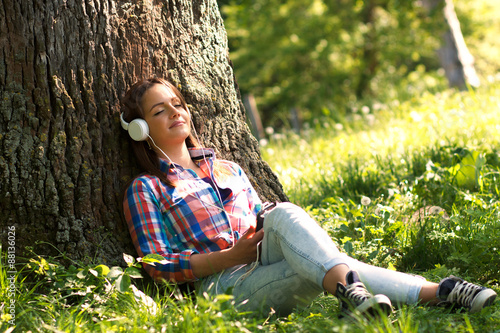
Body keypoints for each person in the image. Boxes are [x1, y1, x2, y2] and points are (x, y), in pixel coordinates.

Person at [121, 77, 497, 318]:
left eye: (177, 103)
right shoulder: (147, 189)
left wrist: (270, 231)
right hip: (221, 287)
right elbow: (158, 266)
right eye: (159, 110)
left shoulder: (228, 170)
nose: (175, 111)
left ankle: (356, 294)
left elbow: (266, 218)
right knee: (318, 265)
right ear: (141, 129)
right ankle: (439, 291)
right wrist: (229, 256)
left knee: (288, 221)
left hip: (263, 260)